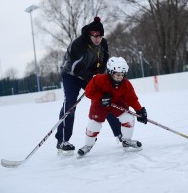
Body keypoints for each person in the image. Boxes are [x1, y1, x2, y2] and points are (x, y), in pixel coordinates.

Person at [55, 17, 122, 155]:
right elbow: (75, 67)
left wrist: (98, 76)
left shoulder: (103, 43)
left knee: (105, 99)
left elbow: (104, 62)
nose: (98, 38)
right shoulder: (79, 44)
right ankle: (62, 141)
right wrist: (93, 78)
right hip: (71, 76)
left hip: (90, 76)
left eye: (100, 35)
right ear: (89, 34)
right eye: (95, 35)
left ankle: (120, 134)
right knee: (70, 104)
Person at [77, 57, 148, 157]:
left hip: (117, 104)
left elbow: (132, 99)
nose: (120, 77)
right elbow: (88, 92)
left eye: (122, 75)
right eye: (117, 74)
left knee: (129, 118)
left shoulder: (126, 84)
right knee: (93, 125)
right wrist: (101, 98)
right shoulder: (99, 79)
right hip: (99, 105)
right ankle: (88, 146)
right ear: (110, 72)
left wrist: (139, 110)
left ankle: (126, 141)